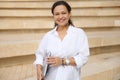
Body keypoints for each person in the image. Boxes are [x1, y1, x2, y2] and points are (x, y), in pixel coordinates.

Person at [34, 1, 90, 80]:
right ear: (53, 16)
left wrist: (63, 61)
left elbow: (84, 57)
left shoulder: (79, 34)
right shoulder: (48, 36)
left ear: (69, 14)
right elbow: (40, 54)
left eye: (63, 13)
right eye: (57, 14)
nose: (60, 17)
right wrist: (39, 69)